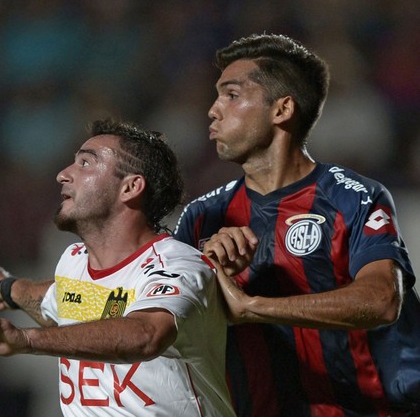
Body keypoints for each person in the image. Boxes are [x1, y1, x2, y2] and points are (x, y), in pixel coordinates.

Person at [174, 33, 420, 416]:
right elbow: (165, 317)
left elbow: (382, 300)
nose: (213, 110)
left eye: (232, 95)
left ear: (282, 109)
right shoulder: (203, 216)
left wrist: (252, 306)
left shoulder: (352, 197)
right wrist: (206, 275)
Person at [0, 119, 235, 416]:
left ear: (130, 187)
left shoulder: (175, 264)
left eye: (85, 163)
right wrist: (7, 287)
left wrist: (27, 339)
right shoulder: (74, 261)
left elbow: (146, 335)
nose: (63, 175)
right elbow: (60, 300)